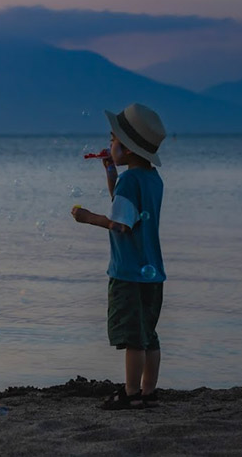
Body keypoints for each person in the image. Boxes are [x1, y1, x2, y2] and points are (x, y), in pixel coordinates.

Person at [71, 103, 167, 410]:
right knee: (149, 334)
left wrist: (87, 217)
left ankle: (130, 392)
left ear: (126, 149)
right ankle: (148, 391)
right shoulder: (151, 179)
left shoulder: (130, 181)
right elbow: (124, 206)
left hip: (127, 272)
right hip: (152, 271)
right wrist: (112, 173)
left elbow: (119, 223)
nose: (109, 144)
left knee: (132, 338)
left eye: (113, 140)